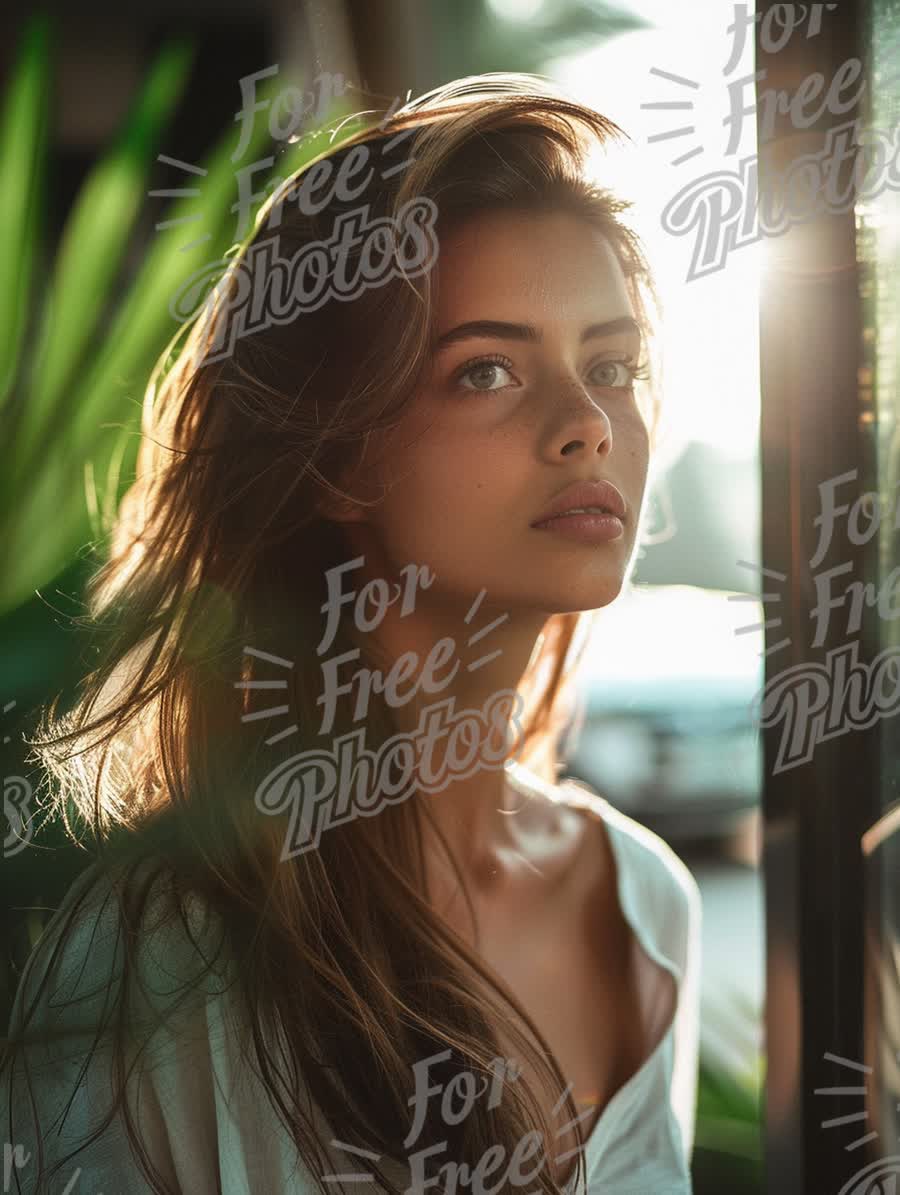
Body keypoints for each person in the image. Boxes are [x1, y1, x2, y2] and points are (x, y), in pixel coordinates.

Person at [0, 73, 701, 1194]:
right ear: (336, 455)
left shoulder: (649, 903)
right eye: (487, 370)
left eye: (611, 366)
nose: (586, 426)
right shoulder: (153, 953)